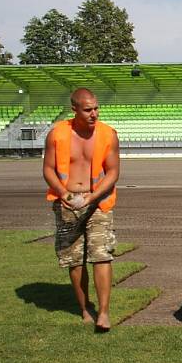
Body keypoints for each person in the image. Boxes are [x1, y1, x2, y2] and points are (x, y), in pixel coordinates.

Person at [43, 88, 120, 333]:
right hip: (67, 202)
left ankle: (104, 313)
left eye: (96, 108)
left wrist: (93, 196)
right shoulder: (57, 134)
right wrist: (63, 193)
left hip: (98, 201)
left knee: (101, 253)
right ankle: (85, 309)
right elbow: (48, 169)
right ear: (74, 109)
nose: (94, 114)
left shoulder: (108, 134)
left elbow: (113, 172)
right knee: (75, 261)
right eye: (88, 110)